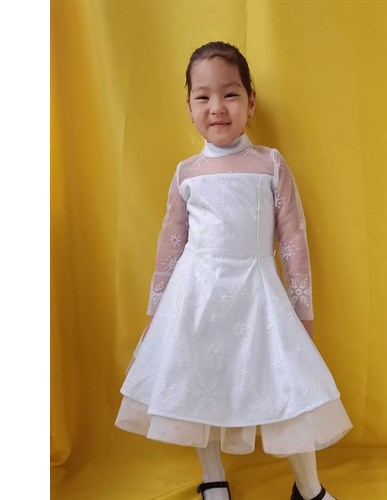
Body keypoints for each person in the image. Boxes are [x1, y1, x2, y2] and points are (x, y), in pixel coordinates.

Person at [115, 41, 353, 500]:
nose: (217, 107)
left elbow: (293, 239)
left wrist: (302, 311)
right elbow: (171, 244)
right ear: (189, 106)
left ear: (251, 101)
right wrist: (156, 311)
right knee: (197, 384)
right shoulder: (187, 173)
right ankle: (213, 477)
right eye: (203, 96)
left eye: (230, 94)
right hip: (195, 297)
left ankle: (309, 489)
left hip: (257, 294)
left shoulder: (269, 163)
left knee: (292, 387)